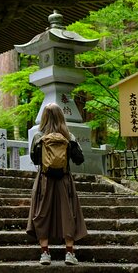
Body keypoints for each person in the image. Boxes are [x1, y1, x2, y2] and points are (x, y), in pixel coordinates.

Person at [26, 102, 88, 266]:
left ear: (44, 117)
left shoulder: (39, 137)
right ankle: (69, 253)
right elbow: (79, 159)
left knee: (42, 213)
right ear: (61, 116)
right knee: (68, 213)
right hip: (64, 180)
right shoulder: (69, 137)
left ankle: (45, 254)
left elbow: (34, 159)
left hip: (44, 180)